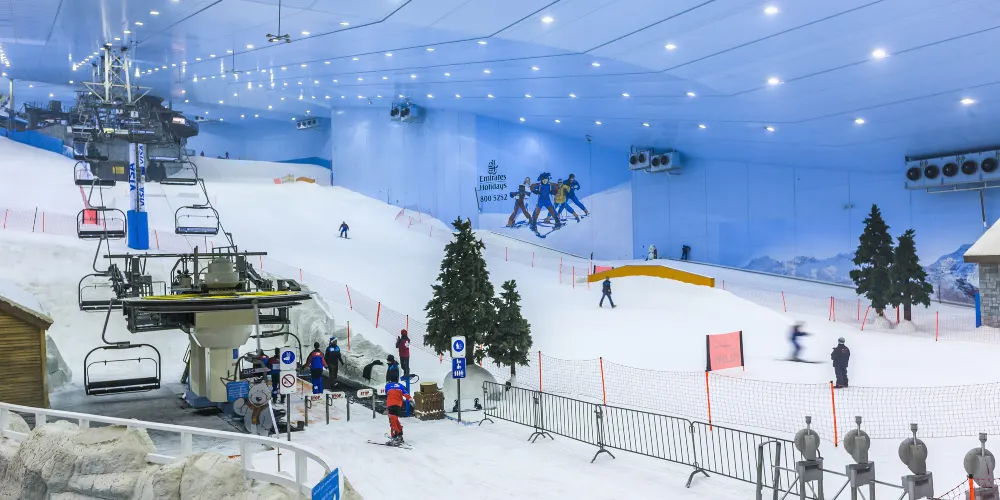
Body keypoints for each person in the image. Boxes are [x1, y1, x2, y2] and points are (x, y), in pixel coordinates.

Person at [385, 370, 413, 445]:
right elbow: (406, 394)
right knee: (395, 419)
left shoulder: (387, 386)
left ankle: (395, 437)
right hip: (398, 405)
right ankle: (400, 435)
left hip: (391, 404)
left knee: (392, 421)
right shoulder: (400, 386)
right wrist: (410, 399)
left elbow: (387, 393)